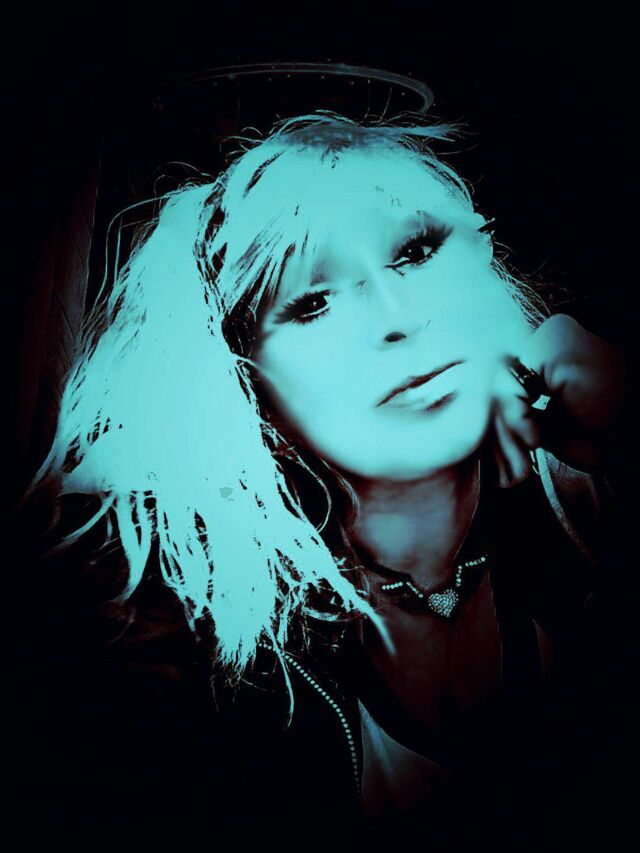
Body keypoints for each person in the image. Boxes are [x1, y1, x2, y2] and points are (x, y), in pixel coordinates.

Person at [12, 111, 635, 850]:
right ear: (249, 384)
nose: (396, 317)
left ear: (483, 258)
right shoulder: (181, 643)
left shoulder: (593, 514)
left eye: (416, 250)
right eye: (311, 302)